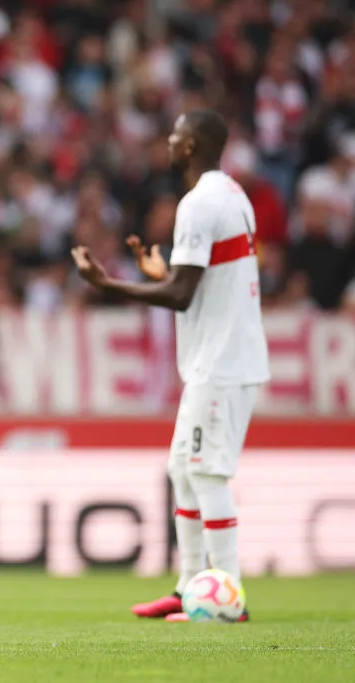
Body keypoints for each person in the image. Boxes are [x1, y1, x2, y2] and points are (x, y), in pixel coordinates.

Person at [71, 109, 269, 622]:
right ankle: (189, 589)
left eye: (178, 133)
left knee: (206, 474)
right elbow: (197, 282)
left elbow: (181, 294)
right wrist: (164, 273)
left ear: (192, 145)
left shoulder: (198, 202)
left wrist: (108, 285)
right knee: (182, 470)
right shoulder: (233, 194)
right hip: (220, 358)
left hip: (221, 363)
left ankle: (229, 599)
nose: (170, 139)